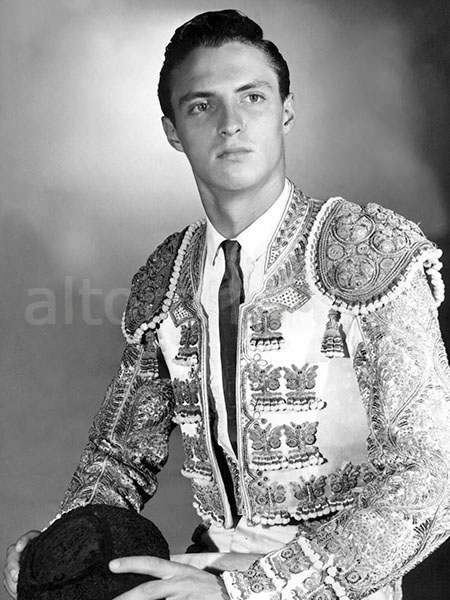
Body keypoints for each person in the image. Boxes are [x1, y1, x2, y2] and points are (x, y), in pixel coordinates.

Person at [4, 8, 450, 600]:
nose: (231, 123)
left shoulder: (366, 251)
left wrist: (251, 590)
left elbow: (431, 477)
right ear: (172, 131)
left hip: (332, 585)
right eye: (201, 106)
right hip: (202, 572)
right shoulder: (168, 276)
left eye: (253, 97)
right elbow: (120, 456)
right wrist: (60, 549)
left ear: (286, 112)